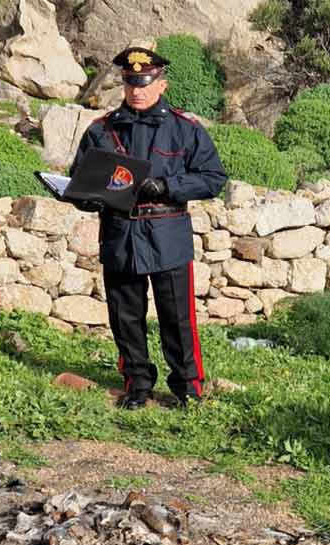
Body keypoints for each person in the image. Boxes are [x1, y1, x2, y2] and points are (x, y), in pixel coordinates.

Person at [68, 47, 229, 410]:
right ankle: (137, 384)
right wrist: (87, 199)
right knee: (125, 316)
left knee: (178, 317)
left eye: (144, 82)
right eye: (130, 82)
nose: (137, 89)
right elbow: (80, 181)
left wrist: (169, 187)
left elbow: (213, 178)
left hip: (166, 232)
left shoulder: (185, 130)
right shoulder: (101, 131)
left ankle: (187, 388)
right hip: (120, 233)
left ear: (161, 84)